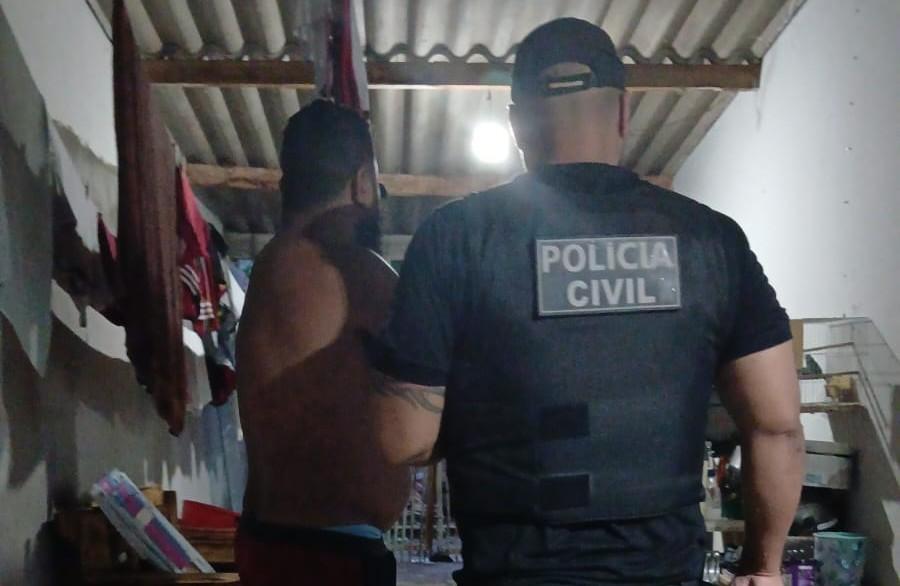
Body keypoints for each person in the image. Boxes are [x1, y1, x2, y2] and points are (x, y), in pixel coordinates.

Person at [368, 18, 804, 586]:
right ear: (623, 112)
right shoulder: (710, 240)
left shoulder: (455, 238)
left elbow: (404, 438)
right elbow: (777, 426)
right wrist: (763, 567)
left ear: (517, 123)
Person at [235, 99, 410, 586]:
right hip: (332, 557)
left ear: (286, 186)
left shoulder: (268, 270)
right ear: (362, 183)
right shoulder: (363, 275)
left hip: (266, 540)